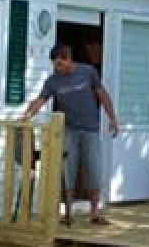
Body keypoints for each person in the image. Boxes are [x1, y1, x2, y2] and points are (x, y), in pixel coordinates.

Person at [20, 44, 120, 226]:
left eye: (60, 64)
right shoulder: (53, 81)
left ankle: (95, 213)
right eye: (55, 65)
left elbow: (102, 95)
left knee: (93, 168)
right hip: (69, 129)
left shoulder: (87, 72)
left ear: (68, 59)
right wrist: (27, 115)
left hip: (90, 128)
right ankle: (67, 213)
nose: (58, 68)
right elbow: (40, 100)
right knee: (68, 170)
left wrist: (113, 118)